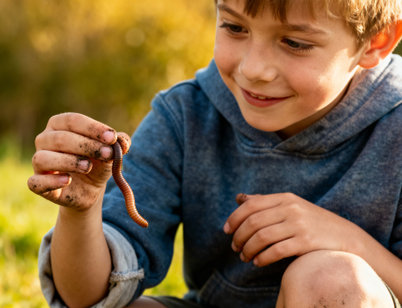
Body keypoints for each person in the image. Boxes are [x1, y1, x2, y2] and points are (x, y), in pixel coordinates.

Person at [28, 0, 402, 307]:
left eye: (294, 42)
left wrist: (348, 241)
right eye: (235, 28)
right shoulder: (186, 114)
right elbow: (86, 297)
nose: (254, 69)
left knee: (332, 281)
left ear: (376, 42)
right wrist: (82, 212)